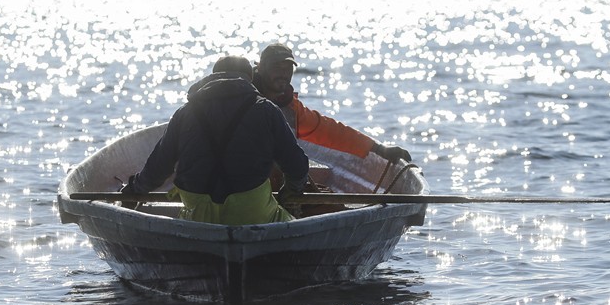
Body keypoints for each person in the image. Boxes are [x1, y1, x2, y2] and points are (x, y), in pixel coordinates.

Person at [120, 55, 309, 225]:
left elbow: (158, 167)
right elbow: (297, 166)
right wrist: (290, 192)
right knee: (290, 222)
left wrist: (134, 189)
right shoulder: (267, 110)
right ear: (249, 78)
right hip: (251, 209)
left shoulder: (185, 112)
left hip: (197, 211)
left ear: (213, 76)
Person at [251, 43, 412, 163]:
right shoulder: (243, 99)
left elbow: (331, 131)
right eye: (276, 67)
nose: (283, 74)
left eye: (288, 68)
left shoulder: (290, 108)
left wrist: (377, 148)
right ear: (261, 67)